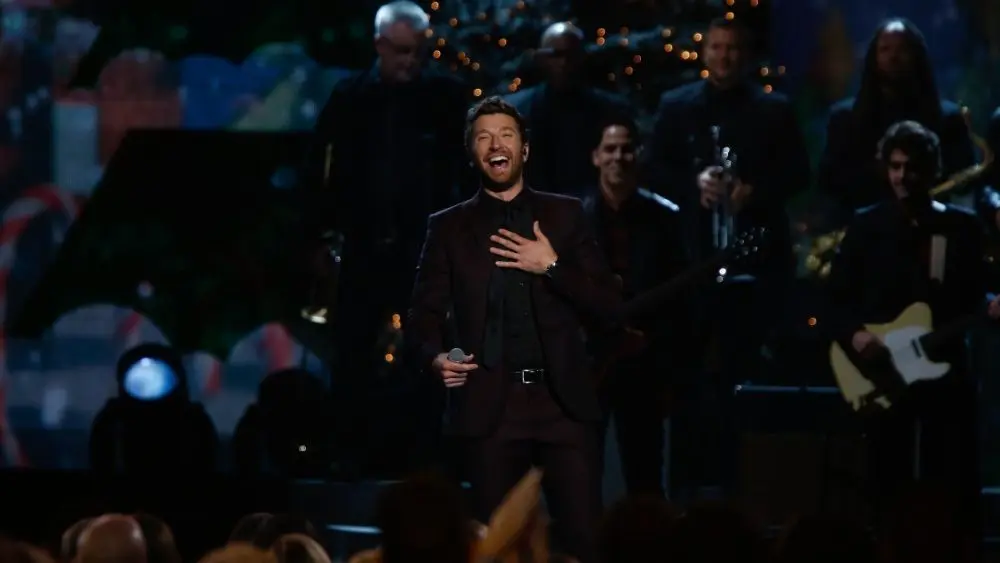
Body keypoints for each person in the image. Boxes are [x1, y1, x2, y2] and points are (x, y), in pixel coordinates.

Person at [406, 96, 620, 562]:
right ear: (472, 154)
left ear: (524, 149)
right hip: (490, 407)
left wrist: (553, 267)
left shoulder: (565, 215)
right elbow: (422, 316)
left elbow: (608, 304)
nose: (495, 144)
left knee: (585, 541)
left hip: (563, 405)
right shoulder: (448, 228)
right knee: (498, 546)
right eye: (483, 137)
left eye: (505, 134)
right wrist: (435, 357)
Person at [303, 0, 471, 474]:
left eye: (417, 52)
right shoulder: (350, 98)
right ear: (379, 45)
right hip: (363, 248)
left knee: (428, 355)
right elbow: (318, 170)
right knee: (352, 354)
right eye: (400, 51)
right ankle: (349, 457)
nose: (410, 62)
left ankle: (424, 459)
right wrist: (316, 239)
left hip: (426, 253)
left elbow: (467, 172)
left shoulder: (445, 98)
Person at [646, 16, 809, 498]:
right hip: (693, 263)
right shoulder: (676, 107)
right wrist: (693, 185)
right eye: (716, 47)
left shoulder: (774, 109)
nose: (724, 56)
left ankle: (751, 486)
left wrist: (755, 191)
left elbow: (800, 172)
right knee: (694, 377)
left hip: (756, 260)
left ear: (747, 55)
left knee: (748, 372)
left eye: (733, 48)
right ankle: (691, 485)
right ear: (704, 52)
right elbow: (654, 169)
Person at [826, 120, 1000, 526]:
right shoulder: (867, 226)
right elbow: (835, 298)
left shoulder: (961, 227)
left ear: (933, 170)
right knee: (887, 477)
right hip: (883, 371)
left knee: (951, 477)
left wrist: (992, 307)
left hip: (946, 369)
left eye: (913, 167)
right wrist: (856, 335)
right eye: (897, 166)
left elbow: (979, 293)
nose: (904, 177)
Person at [581, 115, 689, 496]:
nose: (618, 157)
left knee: (644, 468)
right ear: (595, 157)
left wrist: (649, 338)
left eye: (627, 149)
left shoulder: (666, 219)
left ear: (639, 155)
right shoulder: (572, 221)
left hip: (644, 360)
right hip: (587, 361)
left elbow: (681, 300)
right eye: (610, 149)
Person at [818, 18, 977, 219]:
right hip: (862, 233)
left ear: (916, 56)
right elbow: (828, 183)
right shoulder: (844, 118)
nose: (893, 57)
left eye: (902, 49)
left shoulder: (948, 118)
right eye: (885, 49)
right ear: (873, 57)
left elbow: (965, 182)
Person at [504, 21, 634, 198]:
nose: (563, 63)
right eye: (556, 55)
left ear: (582, 58)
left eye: (570, 56)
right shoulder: (515, 112)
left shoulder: (611, 111)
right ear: (542, 59)